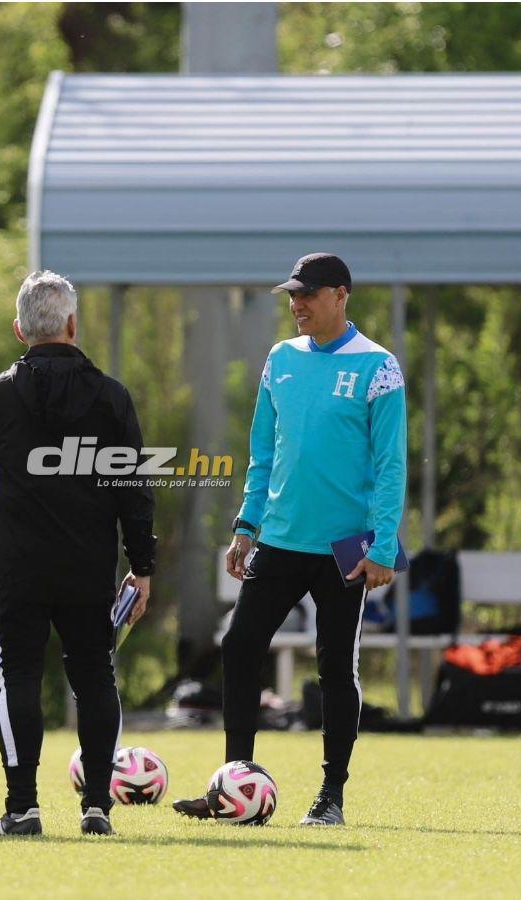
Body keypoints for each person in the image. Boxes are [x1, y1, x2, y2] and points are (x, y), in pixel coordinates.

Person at [173, 252, 407, 827]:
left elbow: (391, 466)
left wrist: (382, 546)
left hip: (345, 549)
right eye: (292, 296)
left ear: (341, 295)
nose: (297, 305)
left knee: (335, 669)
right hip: (277, 539)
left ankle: (331, 797)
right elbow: (263, 454)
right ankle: (234, 783)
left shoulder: (379, 367)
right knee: (239, 647)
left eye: (308, 295)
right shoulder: (280, 360)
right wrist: (245, 527)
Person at [0, 270, 156, 837]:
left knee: (19, 680)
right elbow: (135, 487)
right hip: (89, 566)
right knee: (96, 678)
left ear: (19, 329)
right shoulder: (111, 396)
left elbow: (1, 456)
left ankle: (21, 808)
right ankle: (97, 806)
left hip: (19, 566)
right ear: (73, 325)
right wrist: (143, 567)